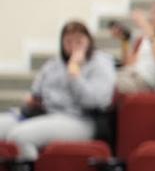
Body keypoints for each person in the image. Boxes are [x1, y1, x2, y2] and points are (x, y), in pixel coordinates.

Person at [0, 21, 116, 160]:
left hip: (80, 119)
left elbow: (95, 101)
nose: (73, 46)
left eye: (79, 41)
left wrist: (74, 72)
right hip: (47, 113)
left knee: (19, 136)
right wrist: (33, 99)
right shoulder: (55, 63)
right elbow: (37, 89)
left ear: (89, 41)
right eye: (68, 41)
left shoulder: (100, 63)